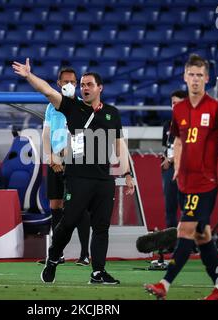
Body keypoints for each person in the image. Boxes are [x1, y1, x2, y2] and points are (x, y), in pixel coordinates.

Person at [13, 58, 135, 284]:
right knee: (68, 222)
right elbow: (48, 91)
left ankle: (98, 272)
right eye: (83, 85)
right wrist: (29, 76)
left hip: (103, 179)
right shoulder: (72, 107)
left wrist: (127, 174)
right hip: (78, 178)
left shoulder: (112, 113)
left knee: (101, 228)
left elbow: (120, 145)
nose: (85, 88)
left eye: (89, 85)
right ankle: (53, 259)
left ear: (100, 88)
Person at [145, 54, 218, 300]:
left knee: (185, 230)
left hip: (205, 185)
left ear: (207, 78)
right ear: (185, 77)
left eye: (199, 75)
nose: (195, 80)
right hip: (185, 183)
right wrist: (179, 170)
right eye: (191, 75)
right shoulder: (179, 110)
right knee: (203, 236)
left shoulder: (216, 109)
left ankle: (164, 284)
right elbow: (179, 142)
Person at [40, 67, 91, 267]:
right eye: (66, 81)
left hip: (75, 160)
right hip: (54, 161)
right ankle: (57, 253)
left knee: (80, 205)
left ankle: (85, 254)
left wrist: (64, 156)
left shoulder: (82, 106)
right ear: (58, 83)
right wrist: (51, 157)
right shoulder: (50, 107)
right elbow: (46, 133)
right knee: (55, 205)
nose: (69, 85)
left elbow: (81, 136)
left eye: (73, 82)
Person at [161, 90, 188, 229]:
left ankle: (188, 241)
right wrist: (166, 159)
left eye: (178, 103)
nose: (175, 106)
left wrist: (171, 160)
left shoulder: (190, 124)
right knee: (169, 207)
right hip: (169, 170)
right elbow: (165, 146)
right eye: (173, 103)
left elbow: (187, 148)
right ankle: (171, 240)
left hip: (185, 170)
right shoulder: (167, 124)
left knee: (186, 207)